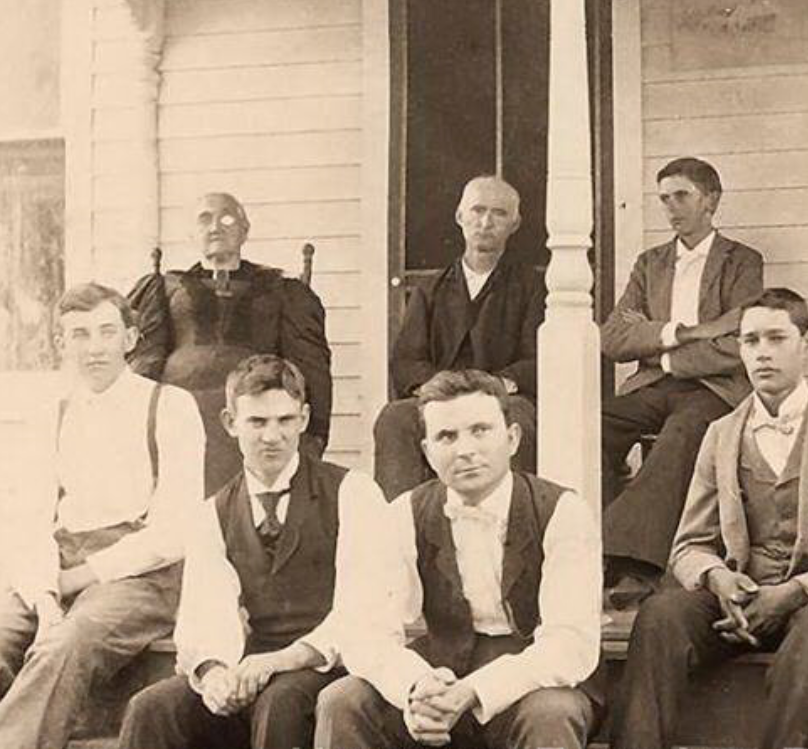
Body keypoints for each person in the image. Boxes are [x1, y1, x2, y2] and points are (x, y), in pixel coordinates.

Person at [612, 288, 808, 749]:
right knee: (660, 616)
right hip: (736, 601)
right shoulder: (722, 433)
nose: (762, 353)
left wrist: (795, 592)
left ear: (807, 343)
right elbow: (689, 544)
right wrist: (718, 578)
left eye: (776, 338)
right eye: (750, 341)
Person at [316, 369, 600, 749]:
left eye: (480, 430)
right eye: (446, 436)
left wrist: (475, 691)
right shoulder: (404, 513)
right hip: (439, 670)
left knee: (551, 713)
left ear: (512, 438)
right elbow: (366, 630)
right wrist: (417, 690)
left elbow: (570, 644)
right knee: (342, 700)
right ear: (427, 450)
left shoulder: (563, 511)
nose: (465, 450)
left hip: (528, 682)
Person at [120, 354, 390, 749]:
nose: (272, 436)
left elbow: (363, 612)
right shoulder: (214, 512)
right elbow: (204, 612)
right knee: (153, 707)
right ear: (231, 423)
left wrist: (282, 661)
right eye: (257, 422)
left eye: (284, 420)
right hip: (255, 667)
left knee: (280, 702)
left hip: (331, 664)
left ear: (303, 418)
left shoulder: (353, 493)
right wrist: (214, 673)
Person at [0, 283, 204, 749]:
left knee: (63, 647)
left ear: (130, 338)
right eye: (80, 335)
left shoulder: (170, 407)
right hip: (59, 564)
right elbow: (27, 518)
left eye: (106, 332)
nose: (94, 348)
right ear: (62, 343)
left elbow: (175, 531)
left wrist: (80, 579)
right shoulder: (51, 413)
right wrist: (47, 599)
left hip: (141, 573)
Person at [599, 157, 765, 602]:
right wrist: (686, 332)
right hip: (651, 385)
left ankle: (634, 564)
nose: (671, 208)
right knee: (592, 425)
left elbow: (740, 342)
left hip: (714, 389)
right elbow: (613, 338)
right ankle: (591, 544)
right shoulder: (650, 263)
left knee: (683, 434)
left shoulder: (742, 262)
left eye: (682, 196)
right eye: (664, 199)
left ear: (710, 201)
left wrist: (662, 350)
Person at [129, 191, 332, 494]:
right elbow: (144, 360)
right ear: (192, 234)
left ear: (244, 230)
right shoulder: (166, 287)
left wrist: (313, 435)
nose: (215, 227)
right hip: (179, 405)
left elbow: (310, 366)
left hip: (253, 403)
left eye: (227, 218)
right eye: (204, 219)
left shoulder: (280, 290)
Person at [374, 176, 545, 498]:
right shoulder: (431, 289)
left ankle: (513, 526)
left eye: (499, 213)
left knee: (520, 417)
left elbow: (537, 359)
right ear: (459, 217)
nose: (485, 222)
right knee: (395, 418)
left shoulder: (531, 287)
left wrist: (499, 385)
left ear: (515, 223)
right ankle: (401, 531)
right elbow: (407, 359)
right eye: (477, 210)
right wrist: (439, 389)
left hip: (503, 398)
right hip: (441, 397)